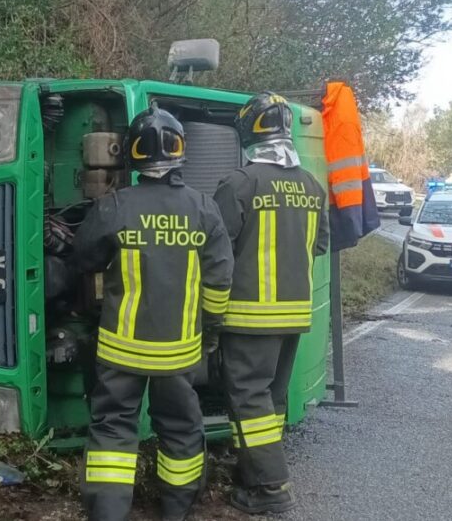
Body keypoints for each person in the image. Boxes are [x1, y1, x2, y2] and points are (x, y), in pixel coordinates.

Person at [74, 106, 234, 521]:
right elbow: (218, 286)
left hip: (120, 350)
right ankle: (175, 511)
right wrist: (209, 335)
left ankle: (108, 514)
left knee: (112, 431)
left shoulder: (114, 207)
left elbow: (82, 257)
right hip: (179, 352)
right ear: (181, 153)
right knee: (181, 430)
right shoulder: (204, 210)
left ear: (132, 155)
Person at [212, 92, 329, 515]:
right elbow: (319, 245)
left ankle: (272, 487)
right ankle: (251, 471)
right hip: (294, 315)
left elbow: (214, 249)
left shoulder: (240, 183)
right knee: (271, 401)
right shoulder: (311, 186)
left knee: (248, 399)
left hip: (247, 316)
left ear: (248, 130)